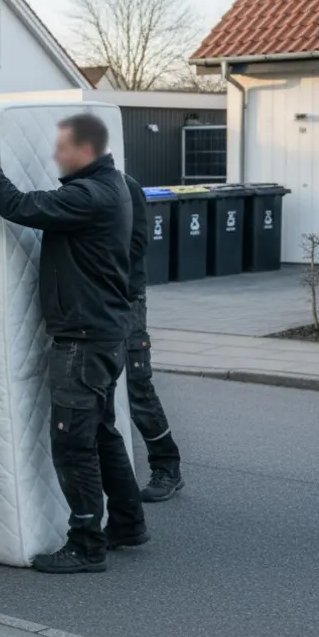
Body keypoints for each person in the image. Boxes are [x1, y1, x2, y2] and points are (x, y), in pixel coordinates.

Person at [0, 114, 147, 574]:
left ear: (85, 150)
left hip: (83, 339)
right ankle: (128, 523)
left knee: (72, 443)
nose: (55, 156)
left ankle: (86, 545)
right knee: (101, 431)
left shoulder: (88, 195)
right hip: (103, 332)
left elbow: (16, 206)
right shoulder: (114, 186)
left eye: (62, 147)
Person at [122, 175, 185, 502]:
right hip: (100, 302)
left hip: (126, 300)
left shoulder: (126, 186)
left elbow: (135, 245)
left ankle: (167, 467)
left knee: (137, 386)